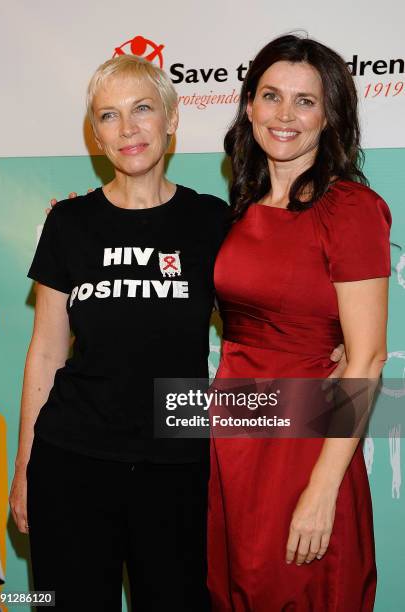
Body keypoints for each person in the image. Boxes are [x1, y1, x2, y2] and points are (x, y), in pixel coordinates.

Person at [9, 54, 229, 612]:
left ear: (172, 119)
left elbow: (257, 324)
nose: (127, 128)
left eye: (142, 109)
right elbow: (46, 353)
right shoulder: (70, 223)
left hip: (177, 467)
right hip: (71, 461)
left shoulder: (211, 221)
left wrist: (328, 343)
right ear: (96, 135)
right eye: (109, 116)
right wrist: (24, 469)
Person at [208, 35, 391, 611]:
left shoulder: (351, 209)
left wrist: (321, 487)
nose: (285, 115)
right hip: (233, 432)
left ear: (330, 114)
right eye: (271, 96)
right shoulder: (240, 208)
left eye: (305, 101)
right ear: (248, 107)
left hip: (305, 442)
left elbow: (366, 357)